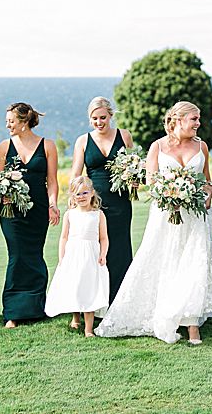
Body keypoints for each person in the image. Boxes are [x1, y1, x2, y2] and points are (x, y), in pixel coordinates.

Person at [96, 102, 212, 345]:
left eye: (198, 119)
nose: (198, 123)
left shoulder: (201, 146)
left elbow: (206, 180)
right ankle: (165, 313)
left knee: (194, 264)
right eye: (194, 119)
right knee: (165, 262)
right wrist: (170, 196)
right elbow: (151, 182)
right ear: (179, 120)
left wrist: (207, 196)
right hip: (166, 216)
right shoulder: (158, 146)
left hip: (194, 217)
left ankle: (192, 323)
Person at [0, 102, 60, 328]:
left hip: (38, 210)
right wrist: (2, 194)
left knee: (34, 255)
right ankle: (13, 312)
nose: (8, 125)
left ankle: (35, 308)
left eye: (11, 121)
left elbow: (51, 181)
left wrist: (53, 204)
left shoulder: (48, 146)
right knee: (17, 256)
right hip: (11, 212)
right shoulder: (4, 147)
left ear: (24, 122)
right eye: (7, 122)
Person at [70, 96, 135, 304]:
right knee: (95, 251)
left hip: (120, 202)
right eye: (95, 118)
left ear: (111, 116)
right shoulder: (83, 141)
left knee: (120, 248)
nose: (99, 122)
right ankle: (95, 301)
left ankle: (120, 301)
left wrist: (134, 180)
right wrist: (74, 201)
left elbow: (134, 167)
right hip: (93, 205)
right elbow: (76, 175)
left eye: (103, 117)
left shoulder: (124, 136)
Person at [44, 176, 110, 337]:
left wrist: (103, 254)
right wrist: (62, 257)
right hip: (73, 255)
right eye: (77, 194)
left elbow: (103, 238)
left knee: (89, 288)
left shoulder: (98, 215)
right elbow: (64, 237)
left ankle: (88, 329)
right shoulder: (70, 215)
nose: (81, 197)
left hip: (91, 257)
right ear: (73, 196)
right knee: (75, 286)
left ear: (92, 193)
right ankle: (76, 317)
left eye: (84, 193)